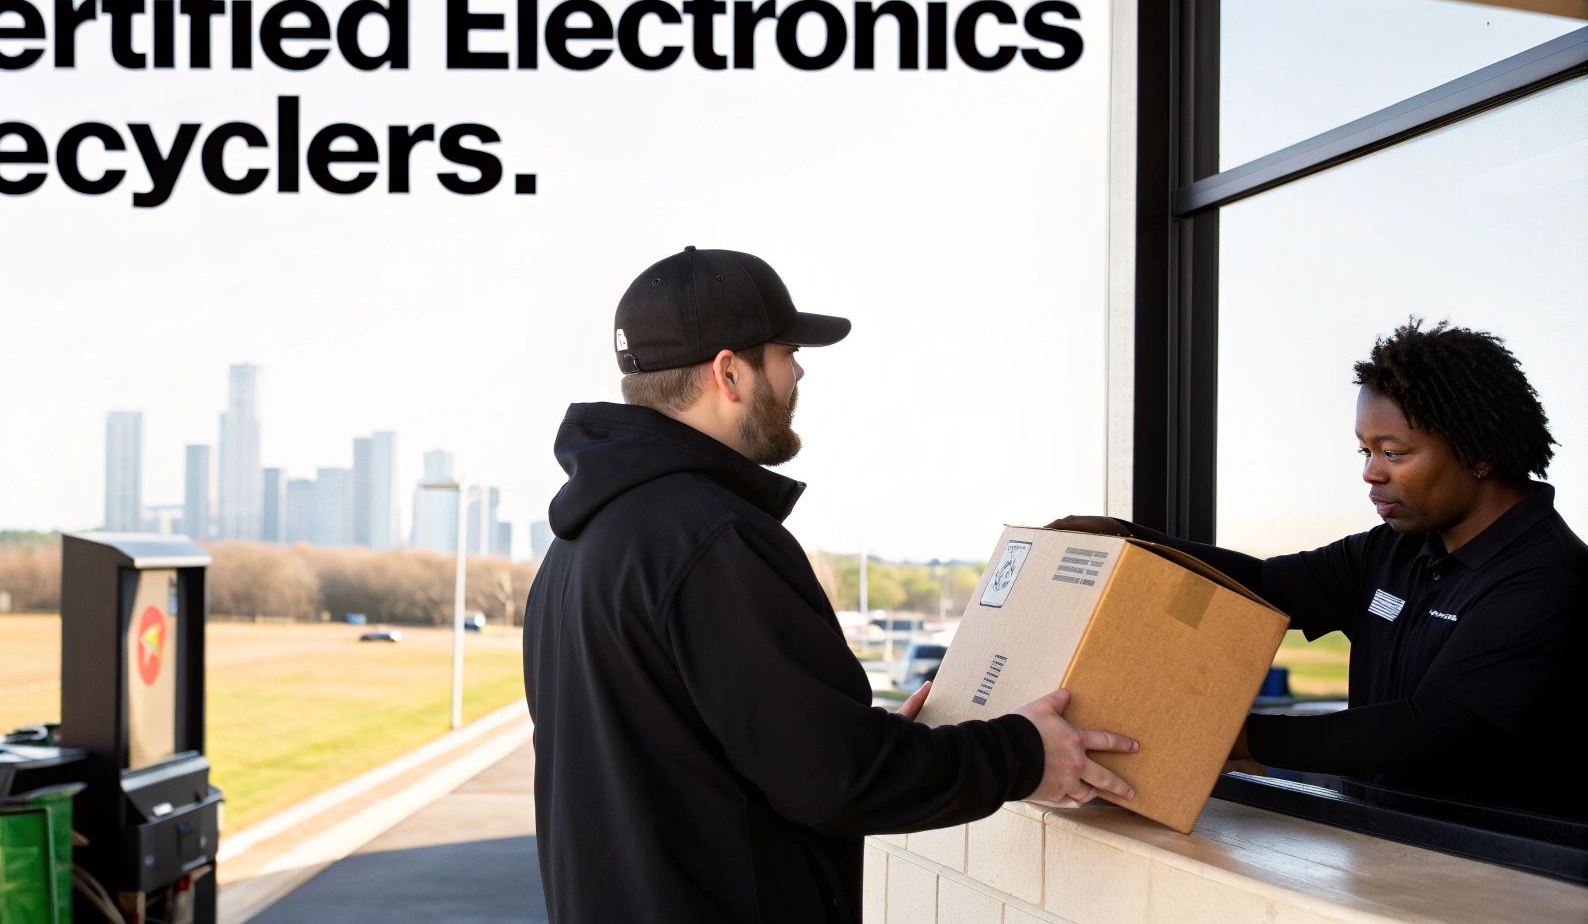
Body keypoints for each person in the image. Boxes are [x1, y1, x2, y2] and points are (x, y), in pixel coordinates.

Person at [524, 247, 1138, 923]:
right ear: (729, 372)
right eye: (784, 350)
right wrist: (1023, 754)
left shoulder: (578, 546)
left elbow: (738, 755)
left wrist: (867, 743)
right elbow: (833, 780)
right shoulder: (711, 538)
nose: (799, 370)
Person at [1053, 319, 1586, 818]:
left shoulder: (1548, 577)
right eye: (1365, 451)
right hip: (1385, 846)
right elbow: (1264, 588)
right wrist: (1131, 542)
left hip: (1498, 874)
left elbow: (1431, 727)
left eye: (1394, 453)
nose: (1371, 474)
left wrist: (1231, 736)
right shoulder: (1394, 549)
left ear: (1480, 454)